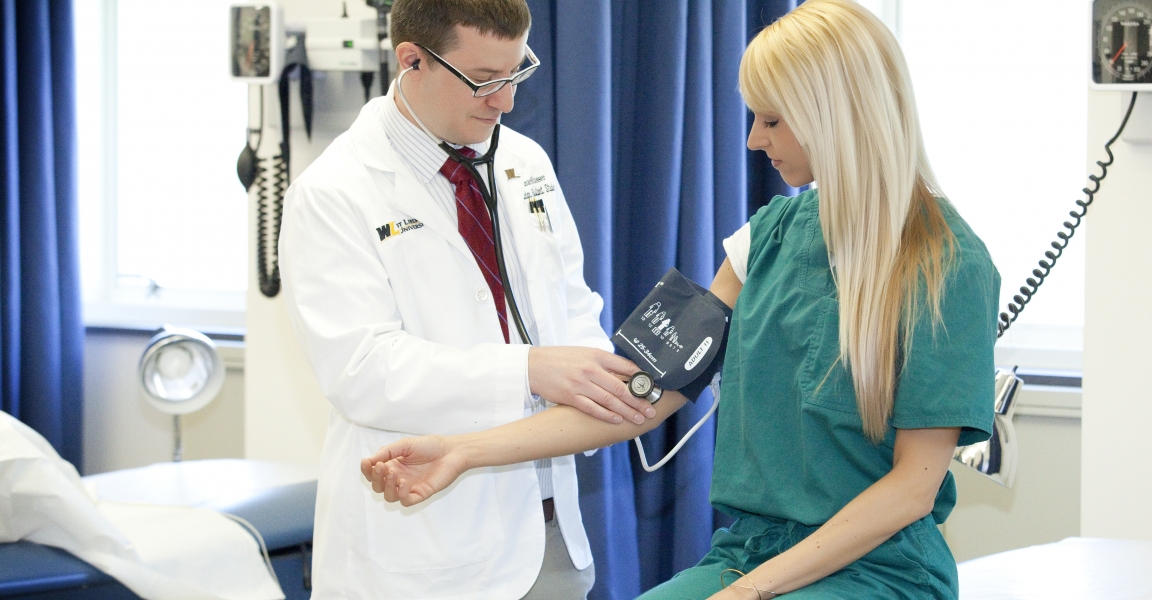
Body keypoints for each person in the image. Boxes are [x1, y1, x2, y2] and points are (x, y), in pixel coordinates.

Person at [362, 1, 1000, 598]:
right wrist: (464, 450)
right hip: (750, 553)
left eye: (772, 120)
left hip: (878, 569)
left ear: (839, 117)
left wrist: (751, 591)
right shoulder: (766, 239)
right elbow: (639, 394)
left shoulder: (946, 264)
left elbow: (912, 490)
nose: (753, 140)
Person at [277, 1, 658, 598]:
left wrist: (599, 381)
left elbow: (573, 306)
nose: (504, 101)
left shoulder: (523, 161)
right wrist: (531, 371)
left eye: (516, 74)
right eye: (483, 81)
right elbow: (362, 370)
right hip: (427, 544)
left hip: (550, 527)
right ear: (412, 61)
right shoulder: (333, 192)